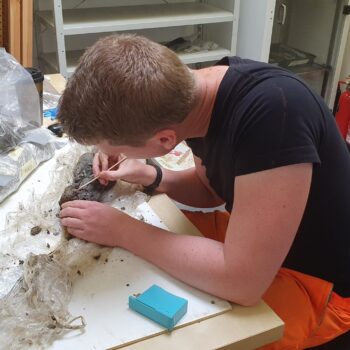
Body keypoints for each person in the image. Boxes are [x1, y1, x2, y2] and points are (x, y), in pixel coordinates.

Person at [58, 34, 350, 349]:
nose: (110, 154)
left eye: (113, 148)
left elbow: (243, 284)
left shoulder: (274, 118)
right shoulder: (197, 95)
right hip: (264, 248)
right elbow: (212, 190)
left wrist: (124, 231)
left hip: (321, 287)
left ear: (165, 141)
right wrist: (154, 176)